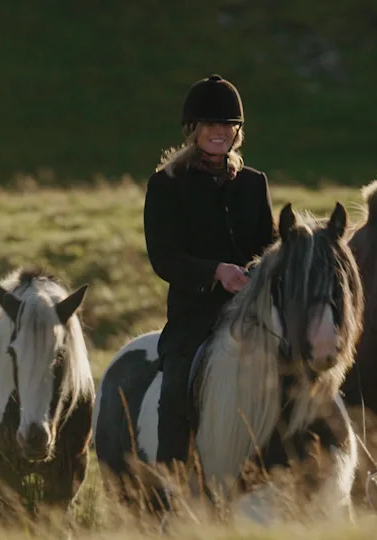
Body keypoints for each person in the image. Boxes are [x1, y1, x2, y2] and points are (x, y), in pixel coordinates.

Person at [144, 74, 277, 467]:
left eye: (227, 126)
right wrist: (215, 271)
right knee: (174, 395)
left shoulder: (254, 183)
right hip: (194, 318)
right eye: (210, 125)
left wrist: (255, 274)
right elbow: (164, 257)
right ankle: (173, 482)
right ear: (193, 130)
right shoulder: (166, 185)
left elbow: (268, 245)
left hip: (252, 314)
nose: (219, 132)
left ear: (237, 132)